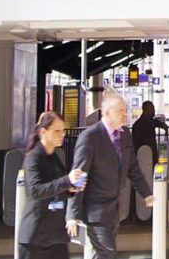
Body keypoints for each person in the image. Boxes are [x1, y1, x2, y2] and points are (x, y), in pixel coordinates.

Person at [66, 94, 153, 259]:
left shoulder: (124, 134)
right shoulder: (90, 137)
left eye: (125, 110)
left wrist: (146, 192)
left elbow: (132, 167)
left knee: (101, 254)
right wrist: (73, 213)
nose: (124, 114)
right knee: (108, 254)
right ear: (107, 112)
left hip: (114, 209)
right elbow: (79, 175)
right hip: (95, 211)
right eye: (120, 110)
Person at [18, 112, 86, 259]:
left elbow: (57, 187)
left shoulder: (56, 156)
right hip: (36, 236)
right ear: (44, 132)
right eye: (57, 131)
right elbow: (35, 190)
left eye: (63, 130)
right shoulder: (33, 158)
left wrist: (71, 189)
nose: (62, 134)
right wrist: (67, 181)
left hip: (56, 236)